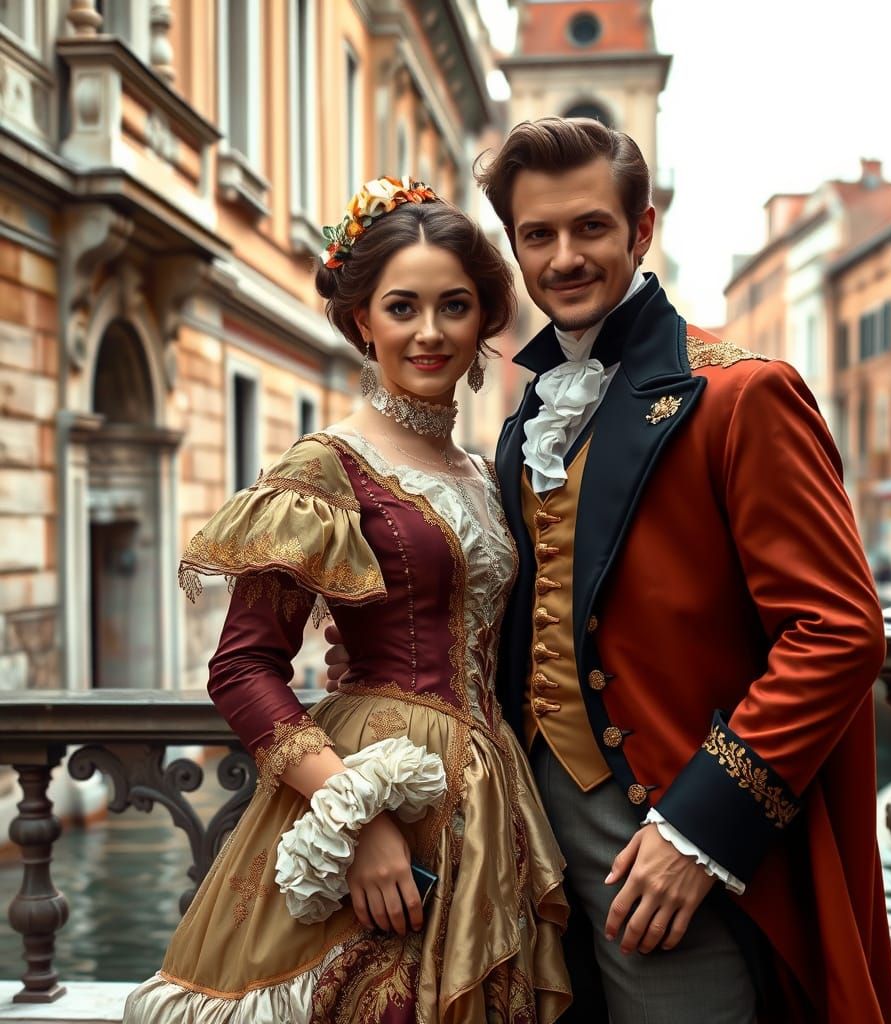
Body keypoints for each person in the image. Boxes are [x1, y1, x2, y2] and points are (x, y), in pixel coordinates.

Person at [323, 119, 891, 1024]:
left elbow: (840, 633)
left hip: (668, 841)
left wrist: (699, 830)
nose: (564, 258)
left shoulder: (745, 394)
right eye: (538, 235)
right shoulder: (527, 419)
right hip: (517, 842)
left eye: (590, 227)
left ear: (641, 230)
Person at [123, 177, 571, 1023]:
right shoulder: (325, 465)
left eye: (455, 306)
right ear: (363, 320)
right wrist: (355, 817)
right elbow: (242, 668)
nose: (430, 332)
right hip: (370, 795)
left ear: (483, 321)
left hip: (491, 806)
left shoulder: (487, 474)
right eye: (403, 308)